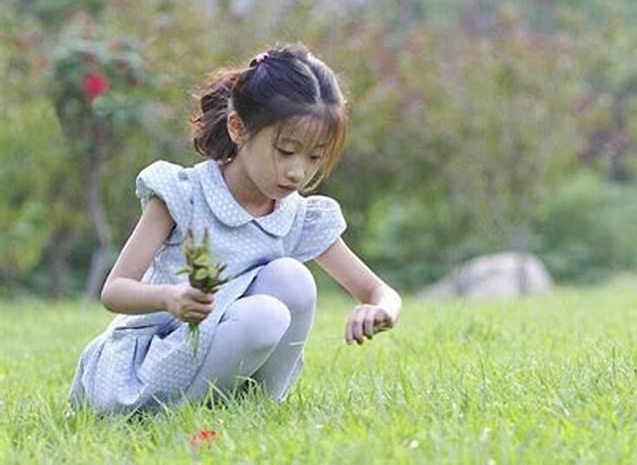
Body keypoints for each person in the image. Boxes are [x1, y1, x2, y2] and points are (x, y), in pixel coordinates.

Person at [68, 43, 402, 415]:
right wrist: (169, 297)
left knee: (292, 277)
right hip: (151, 363)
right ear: (238, 128)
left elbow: (377, 291)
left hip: (222, 349)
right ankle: (170, 417)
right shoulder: (185, 195)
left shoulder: (295, 215)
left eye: (314, 157)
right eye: (286, 150)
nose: (298, 172)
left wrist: (379, 310)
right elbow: (115, 291)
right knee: (266, 315)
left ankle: (258, 409)